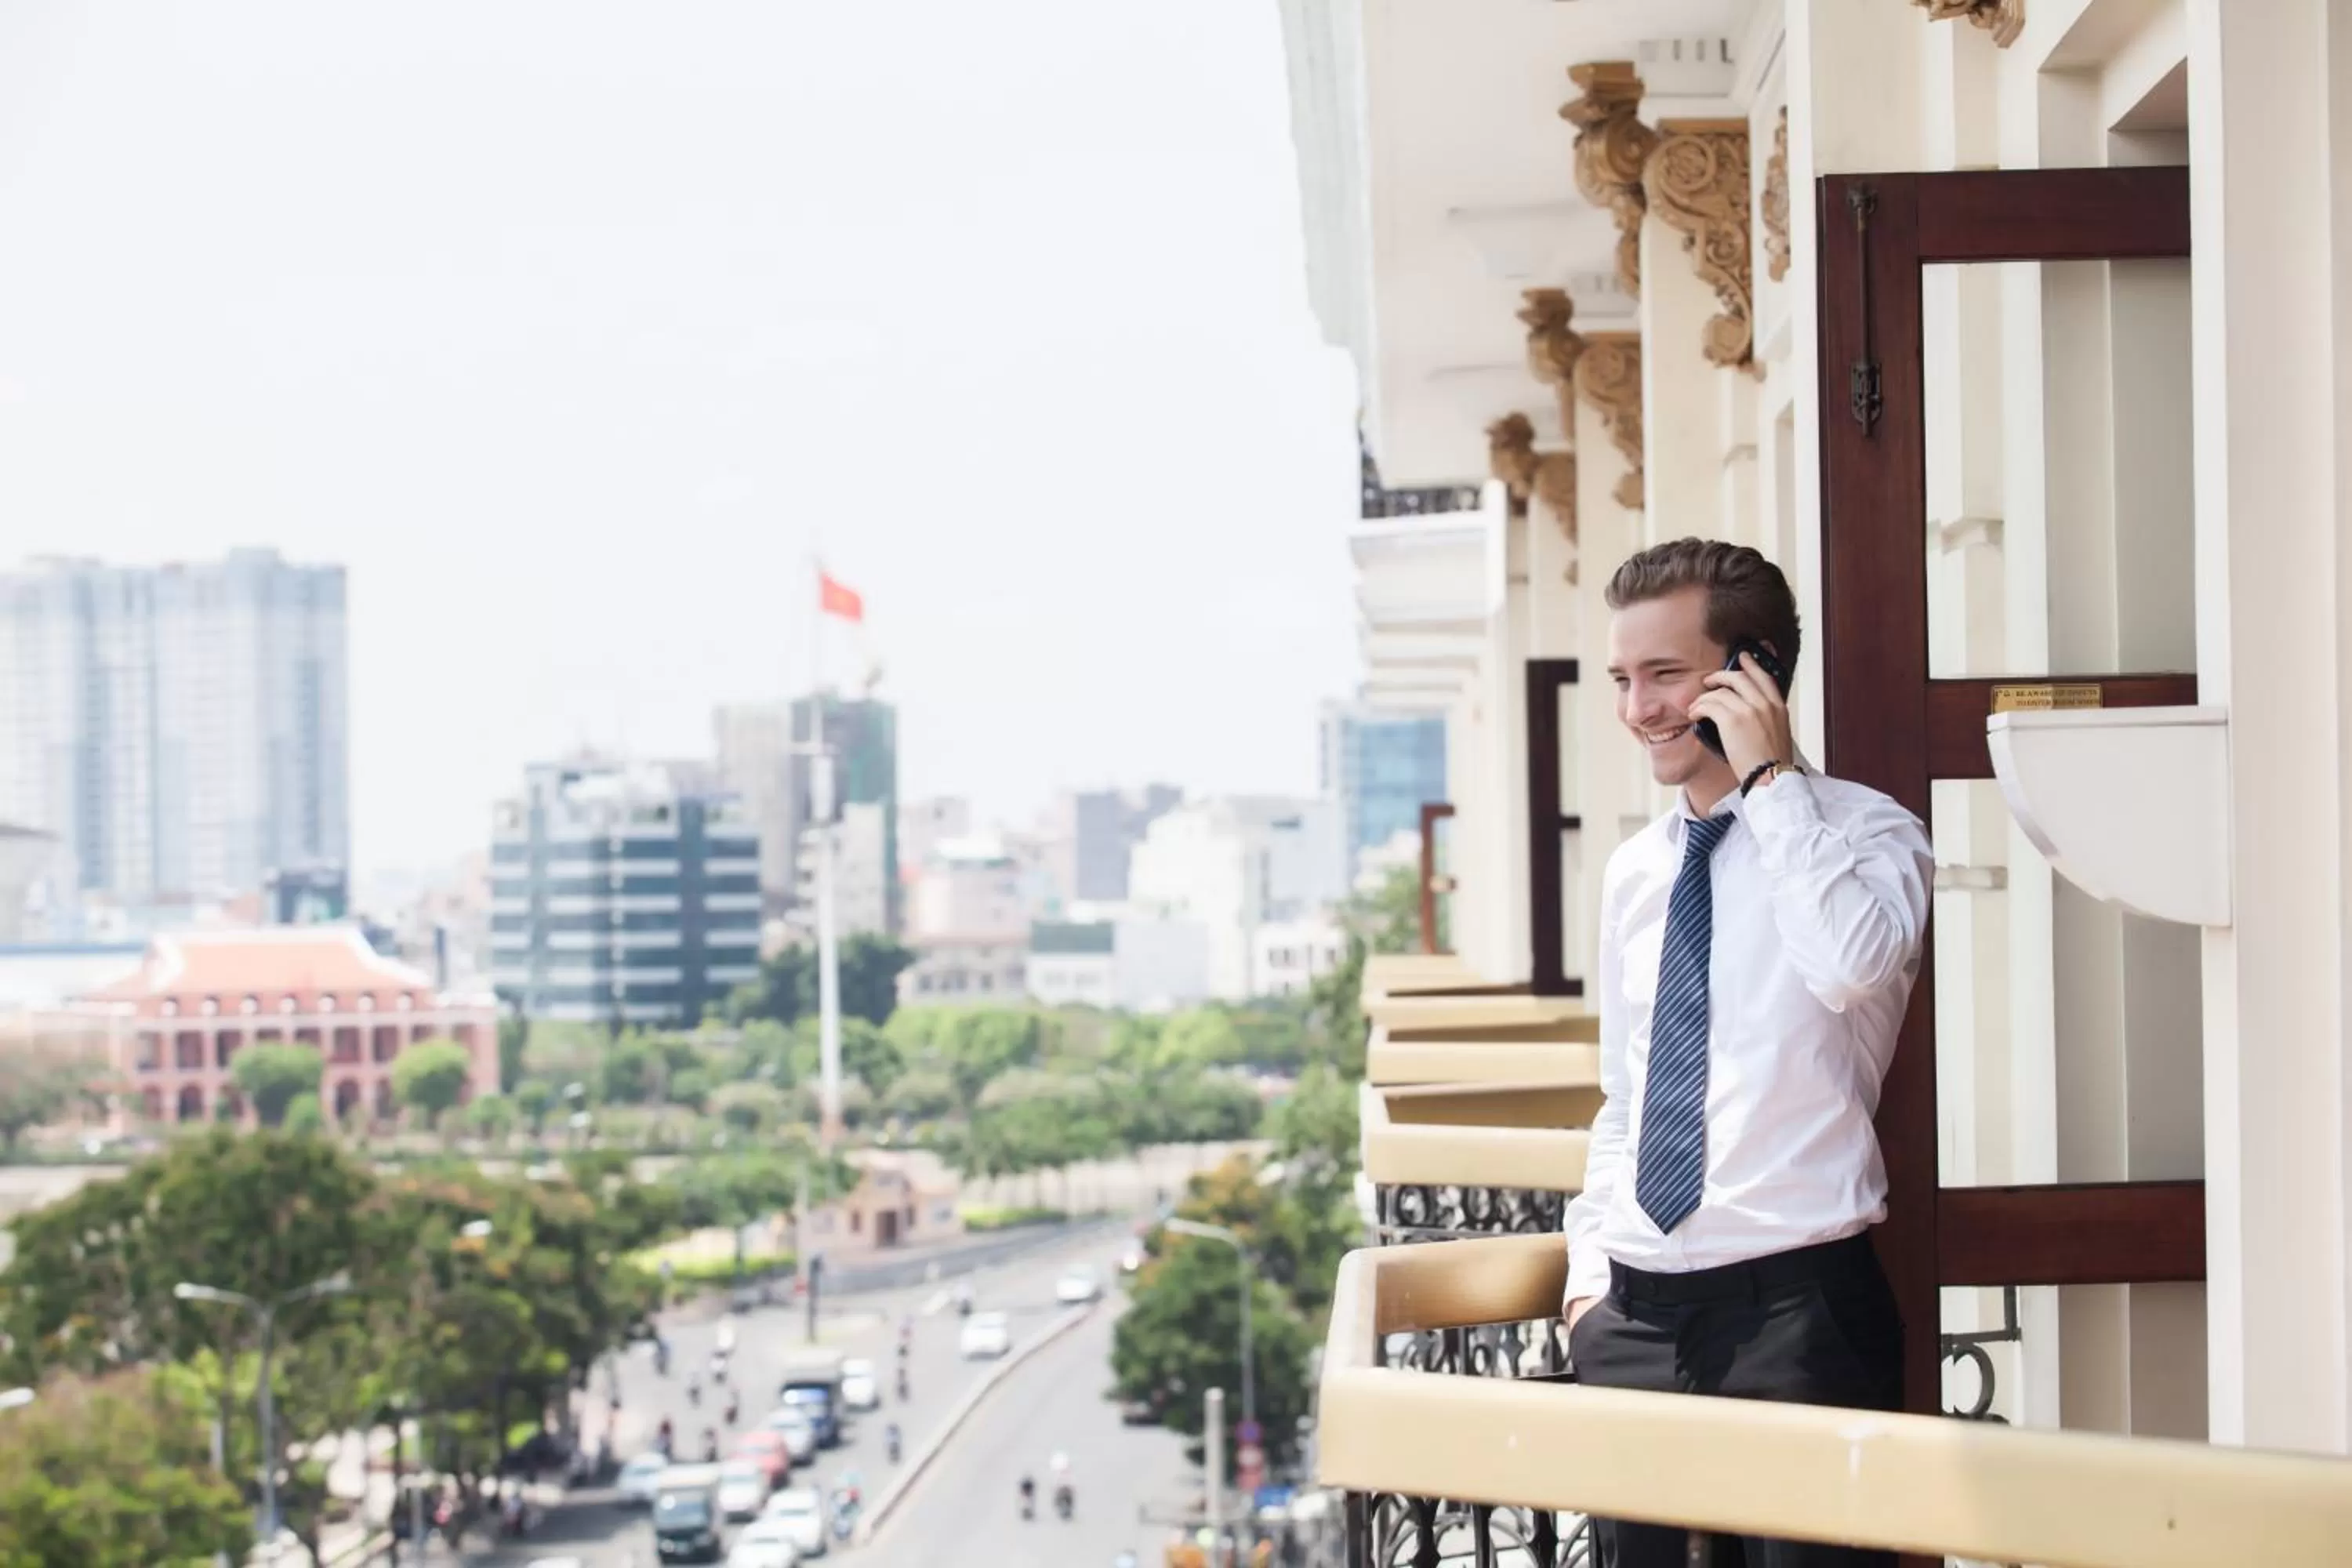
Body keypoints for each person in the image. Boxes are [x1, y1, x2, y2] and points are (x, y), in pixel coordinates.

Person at [1563, 539, 1930, 1568]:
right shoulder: (1637, 872)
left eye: (1667, 675)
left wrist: (1769, 780)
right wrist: (1590, 1282)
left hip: (1801, 1316)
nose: (1638, 709)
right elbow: (1626, 1097)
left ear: (1752, 671)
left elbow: (1853, 967)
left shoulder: (1869, 836)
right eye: (1623, 680)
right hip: (1635, 1312)